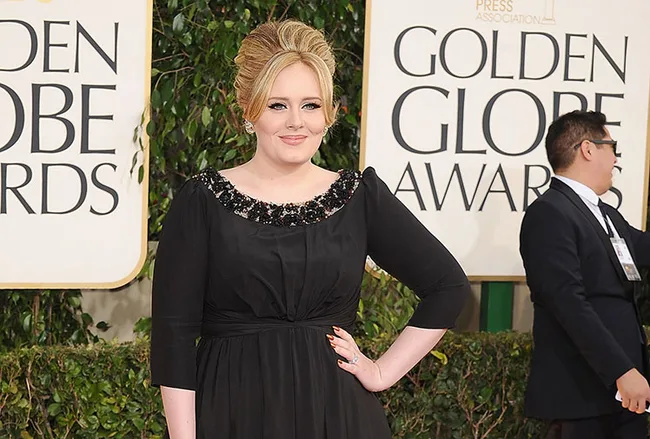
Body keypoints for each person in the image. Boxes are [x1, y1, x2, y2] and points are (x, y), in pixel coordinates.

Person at [149, 19, 470, 439]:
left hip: (339, 416)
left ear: (328, 114)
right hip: (230, 412)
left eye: (311, 105)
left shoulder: (358, 197)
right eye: (277, 105)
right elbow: (173, 336)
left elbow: (448, 288)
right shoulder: (201, 200)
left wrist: (381, 372)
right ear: (249, 110)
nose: (296, 122)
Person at [519, 110, 650, 438]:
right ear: (588, 149)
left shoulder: (607, 215)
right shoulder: (549, 213)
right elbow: (567, 302)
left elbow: (642, 248)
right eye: (612, 147)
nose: (616, 159)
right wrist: (621, 370)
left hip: (624, 397)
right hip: (583, 397)